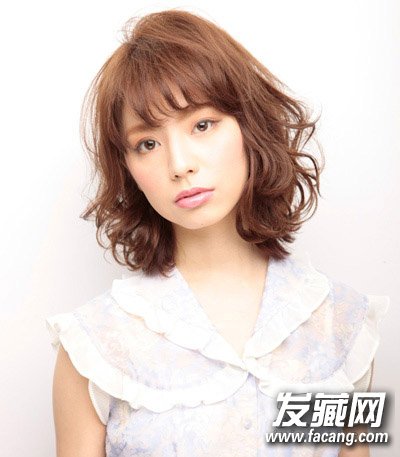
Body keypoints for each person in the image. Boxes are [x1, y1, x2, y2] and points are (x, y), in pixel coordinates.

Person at [45, 9, 389, 457]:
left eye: (202, 125)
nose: (179, 164)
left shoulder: (339, 325)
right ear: (127, 167)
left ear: (249, 125)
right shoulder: (95, 345)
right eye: (147, 143)